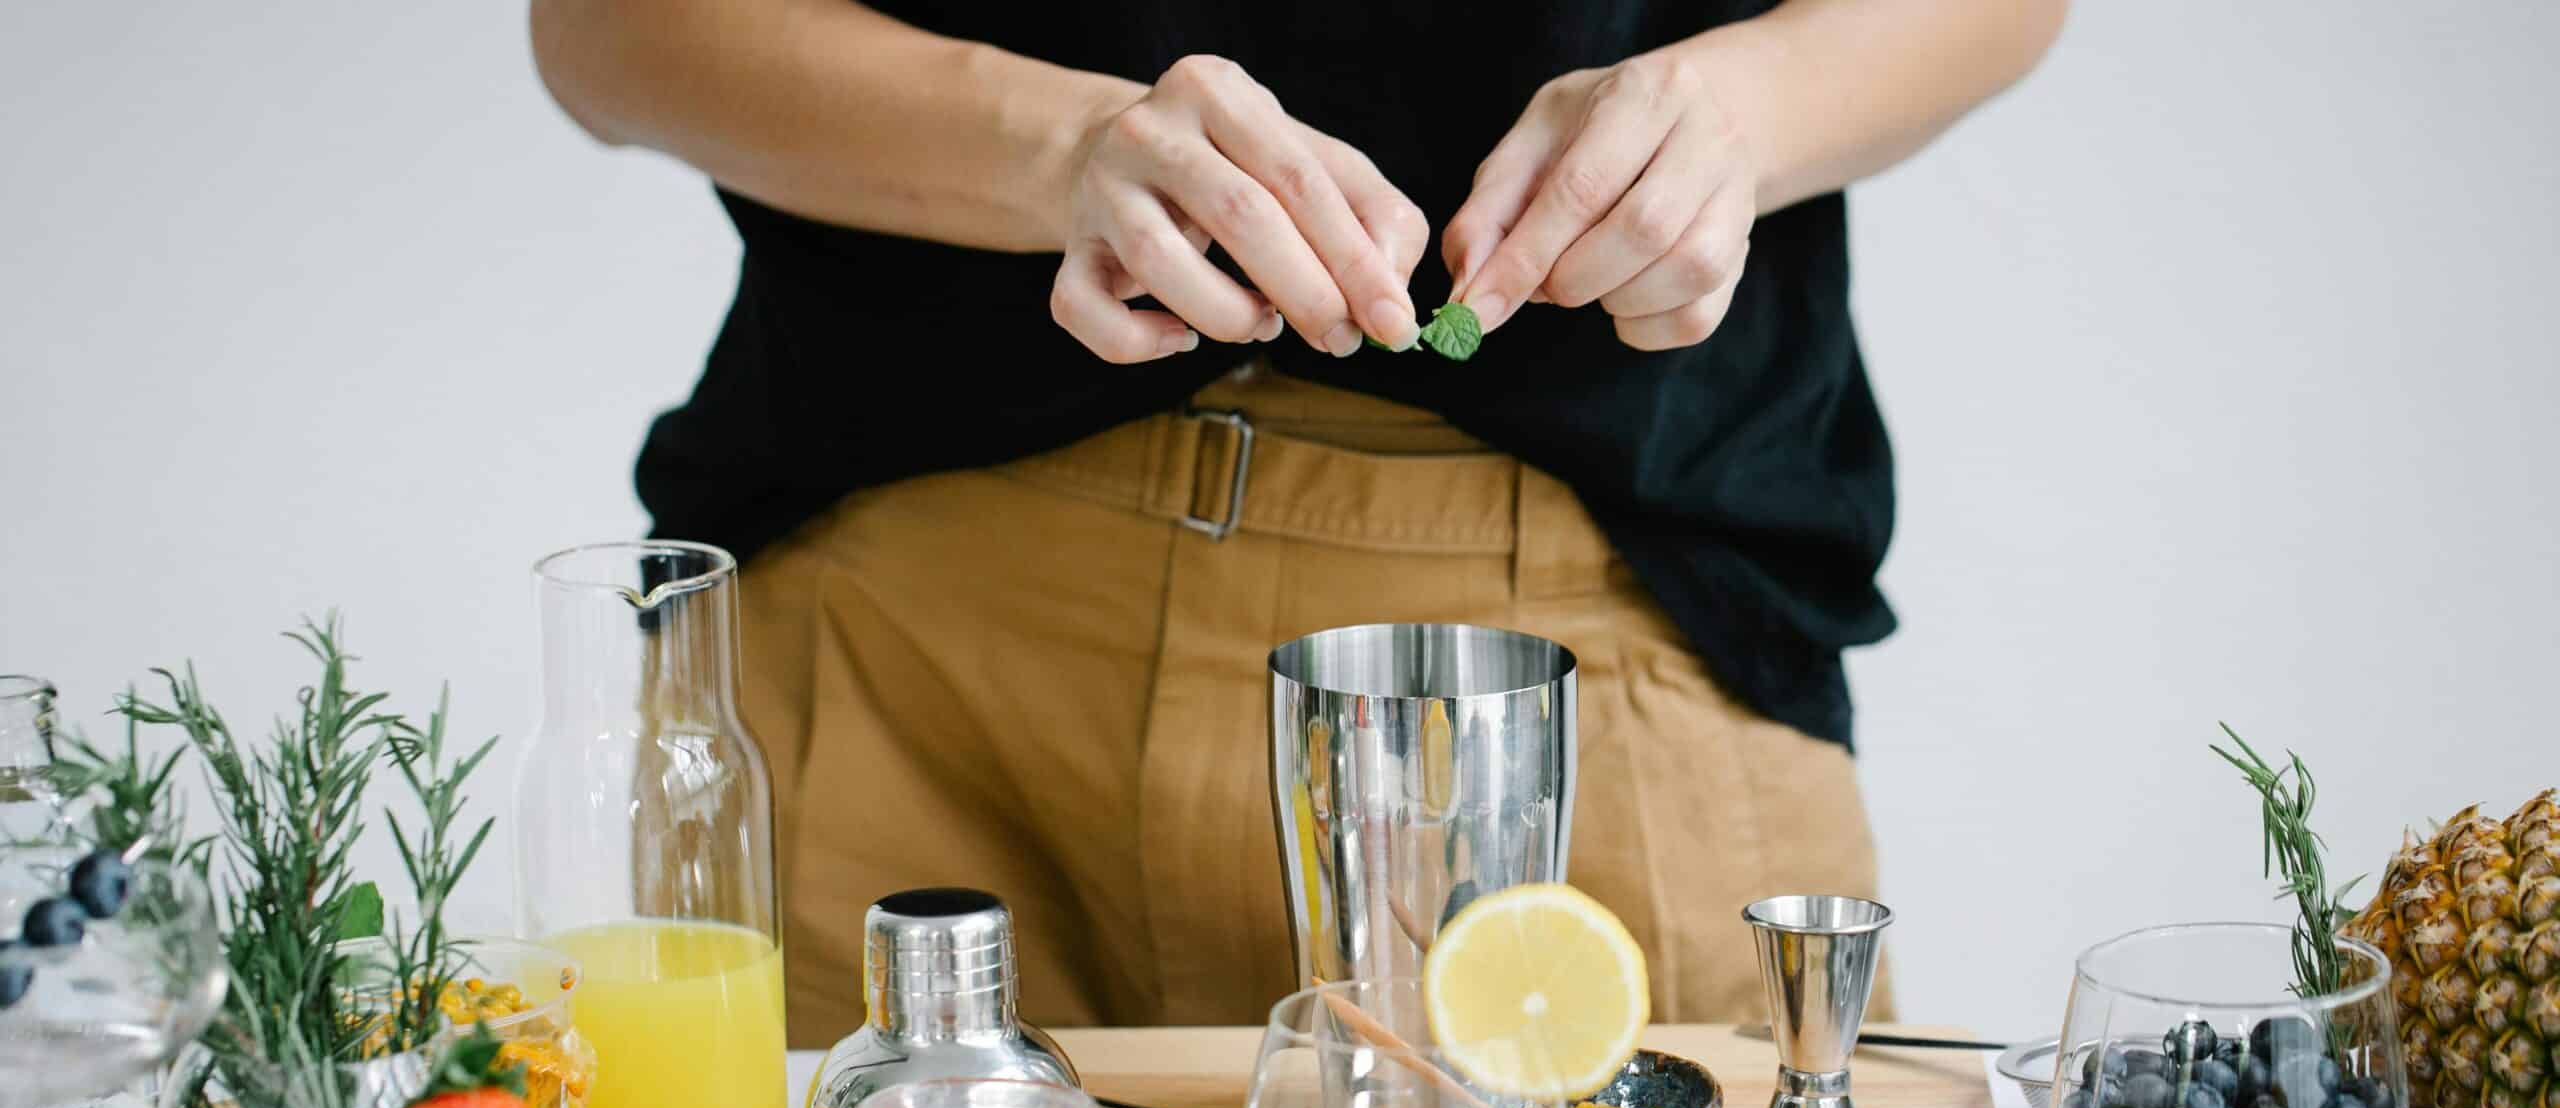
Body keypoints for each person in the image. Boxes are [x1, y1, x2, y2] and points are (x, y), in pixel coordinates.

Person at [531, 1, 2068, 1045]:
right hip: (901, 680)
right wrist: (1057, 150)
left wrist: (1742, 114)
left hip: (1592, 672)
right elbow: (605, 29)